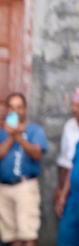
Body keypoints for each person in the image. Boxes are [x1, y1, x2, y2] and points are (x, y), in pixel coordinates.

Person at [0, 92, 47, 246]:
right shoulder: (0, 133)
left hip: (25, 185)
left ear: (25, 109)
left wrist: (19, 137)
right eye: (11, 107)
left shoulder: (35, 130)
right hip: (3, 187)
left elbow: (36, 154)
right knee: (11, 231)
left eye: (19, 107)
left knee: (27, 230)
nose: (14, 111)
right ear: (6, 109)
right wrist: (11, 136)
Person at [54, 89, 79, 221]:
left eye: (77, 106)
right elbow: (65, 161)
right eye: (73, 105)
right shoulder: (69, 126)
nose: (74, 109)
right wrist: (60, 188)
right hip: (71, 191)